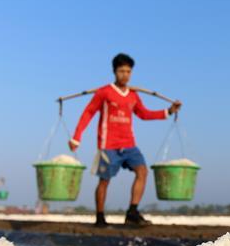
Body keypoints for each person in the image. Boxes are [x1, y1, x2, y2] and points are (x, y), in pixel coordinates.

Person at [69, 53, 181, 227]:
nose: (125, 75)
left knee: (142, 172)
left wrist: (168, 111)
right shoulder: (104, 92)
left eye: (128, 72)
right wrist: (76, 138)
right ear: (114, 72)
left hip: (129, 144)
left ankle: (132, 212)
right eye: (121, 71)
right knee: (104, 181)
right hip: (108, 145)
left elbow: (144, 114)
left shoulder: (133, 96)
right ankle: (100, 217)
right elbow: (88, 113)